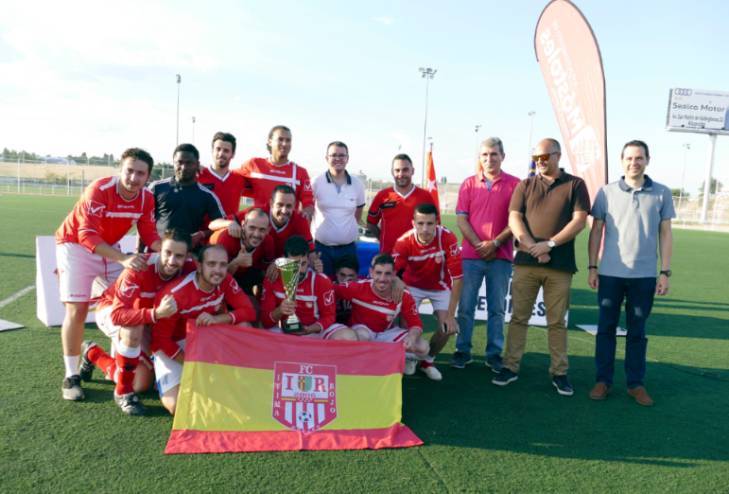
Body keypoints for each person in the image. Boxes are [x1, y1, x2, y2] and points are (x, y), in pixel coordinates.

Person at [55, 147, 160, 401]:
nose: (133, 178)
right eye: (129, 171)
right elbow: (86, 235)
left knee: (128, 304)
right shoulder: (99, 189)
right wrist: (123, 259)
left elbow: (150, 235)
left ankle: (114, 360)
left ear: (148, 176)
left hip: (110, 247)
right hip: (75, 246)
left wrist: (173, 252)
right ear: (120, 169)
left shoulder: (146, 198)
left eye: (140, 173)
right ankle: (71, 376)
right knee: (78, 309)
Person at [492, 138, 590, 396]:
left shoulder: (575, 185)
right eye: (536, 157)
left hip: (560, 267)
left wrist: (550, 244)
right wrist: (533, 246)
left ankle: (559, 372)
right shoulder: (525, 185)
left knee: (557, 322)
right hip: (526, 264)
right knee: (518, 318)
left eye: (544, 157)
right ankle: (510, 367)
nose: (540, 161)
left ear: (557, 155)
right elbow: (514, 218)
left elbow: (579, 221)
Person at [587, 140, 674, 406]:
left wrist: (664, 272)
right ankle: (603, 380)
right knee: (606, 328)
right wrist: (592, 267)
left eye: (639, 158)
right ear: (621, 160)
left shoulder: (662, 193)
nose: (633, 163)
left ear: (647, 160)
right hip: (610, 274)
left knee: (637, 331)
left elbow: (665, 233)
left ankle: (635, 384)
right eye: (629, 158)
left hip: (644, 276)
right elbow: (596, 231)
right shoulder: (606, 192)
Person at [80, 230, 194, 415]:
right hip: (112, 310)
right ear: (159, 249)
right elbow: (118, 315)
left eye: (179, 256)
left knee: (141, 383)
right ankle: (123, 392)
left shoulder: (190, 269)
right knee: (134, 328)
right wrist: (156, 314)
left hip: (146, 320)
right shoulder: (139, 267)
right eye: (168, 253)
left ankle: (93, 353)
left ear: (187, 256)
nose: (172, 260)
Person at [151, 244, 256, 415]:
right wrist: (192, 364)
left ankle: (240, 376)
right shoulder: (176, 294)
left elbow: (249, 311)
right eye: (211, 264)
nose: (218, 270)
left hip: (202, 337)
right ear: (199, 266)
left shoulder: (226, 280)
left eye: (223, 265)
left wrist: (217, 319)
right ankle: (160, 375)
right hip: (173, 345)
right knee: (176, 406)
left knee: (244, 327)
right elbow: (161, 340)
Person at [452, 137, 520, 371]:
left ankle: (494, 353)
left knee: (497, 309)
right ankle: (463, 350)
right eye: (484, 155)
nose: (489, 159)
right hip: (471, 257)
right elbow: (462, 219)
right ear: (479, 158)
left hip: (501, 257)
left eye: (493, 154)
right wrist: (480, 245)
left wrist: (496, 243)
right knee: (466, 306)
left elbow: (516, 221)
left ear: (503, 156)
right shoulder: (469, 184)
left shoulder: (515, 184)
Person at [393, 203, 463, 381]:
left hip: (440, 287)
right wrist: (399, 282)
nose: (425, 229)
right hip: (412, 286)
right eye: (420, 223)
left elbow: (457, 278)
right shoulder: (403, 242)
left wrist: (451, 315)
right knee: (405, 323)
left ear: (437, 222)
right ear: (413, 223)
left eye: (430, 223)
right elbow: (392, 273)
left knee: (447, 328)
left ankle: (427, 361)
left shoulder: (447, 237)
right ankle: (410, 358)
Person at [335, 254, 429, 360]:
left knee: (423, 347)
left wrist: (411, 337)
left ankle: (397, 357)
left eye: (387, 274)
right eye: (378, 273)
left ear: (394, 274)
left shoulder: (403, 295)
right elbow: (329, 290)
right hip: (362, 331)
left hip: (386, 334)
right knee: (362, 336)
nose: (382, 279)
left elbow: (416, 324)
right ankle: (368, 362)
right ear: (371, 272)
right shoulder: (357, 288)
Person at [261, 236, 356, 340]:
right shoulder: (272, 278)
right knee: (262, 337)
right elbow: (265, 322)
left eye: (303, 264)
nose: (299, 270)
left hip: (315, 331)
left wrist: (309, 329)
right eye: (293, 264)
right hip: (285, 331)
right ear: (284, 260)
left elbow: (329, 317)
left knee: (348, 336)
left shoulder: (321, 280)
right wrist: (280, 310)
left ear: (309, 260)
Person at [146, 143, 225, 250]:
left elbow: (221, 225)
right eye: (179, 162)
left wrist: (202, 234)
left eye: (189, 163)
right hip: (158, 251)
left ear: (197, 164)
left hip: (188, 253)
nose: (183, 167)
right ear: (173, 163)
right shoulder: (156, 188)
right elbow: (142, 220)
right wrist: (138, 250)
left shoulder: (207, 195)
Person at [311, 141, 366, 277]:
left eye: (342, 155)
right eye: (334, 155)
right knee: (323, 285)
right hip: (321, 248)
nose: (338, 159)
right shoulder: (316, 182)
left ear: (347, 158)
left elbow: (357, 215)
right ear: (326, 158)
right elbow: (307, 213)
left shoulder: (357, 184)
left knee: (347, 287)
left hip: (348, 249)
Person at [239, 125, 315, 220]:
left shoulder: (300, 172)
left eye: (288, 140)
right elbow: (230, 181)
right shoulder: (253, 165)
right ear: (270, 141)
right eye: (280, 139)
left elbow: (308, 202)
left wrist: (307, 212)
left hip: (286, 226)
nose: (284, 144)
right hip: (259, 226)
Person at [366, 154, 436, 254]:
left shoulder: (425, 196)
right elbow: (371, 223)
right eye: (397, 170)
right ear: (392, 172)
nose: (401, 174)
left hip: (418, 257)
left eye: (405, 170)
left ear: (412, 171)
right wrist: (383, 239)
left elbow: (435, 225)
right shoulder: (382, 196)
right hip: (389, 256)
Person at [209, 208, 275, 298]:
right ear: (243, 225)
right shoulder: (226, 239)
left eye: (262, 230)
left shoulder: (268, 241)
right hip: (215, 275)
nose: (256, 234)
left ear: (268, 230)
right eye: (252, 228)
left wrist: (275, 265)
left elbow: (265, 273)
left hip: (244, 274)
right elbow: (215, 277)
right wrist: (236, 262)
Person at [198, 132, 247, 217]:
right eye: (218, 149)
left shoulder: (240, 179)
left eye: (226, 151)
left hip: (229, 225)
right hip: (202, 226)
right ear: (212, 151)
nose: (221, 154)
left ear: (233, 154)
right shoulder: (198, 175)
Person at [333, 254, 359, 325]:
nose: (345, 280)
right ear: (336, 274)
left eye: (350, 276)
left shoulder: (363, 289)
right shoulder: (328, 289)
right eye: (342, 275)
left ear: (357, 276)